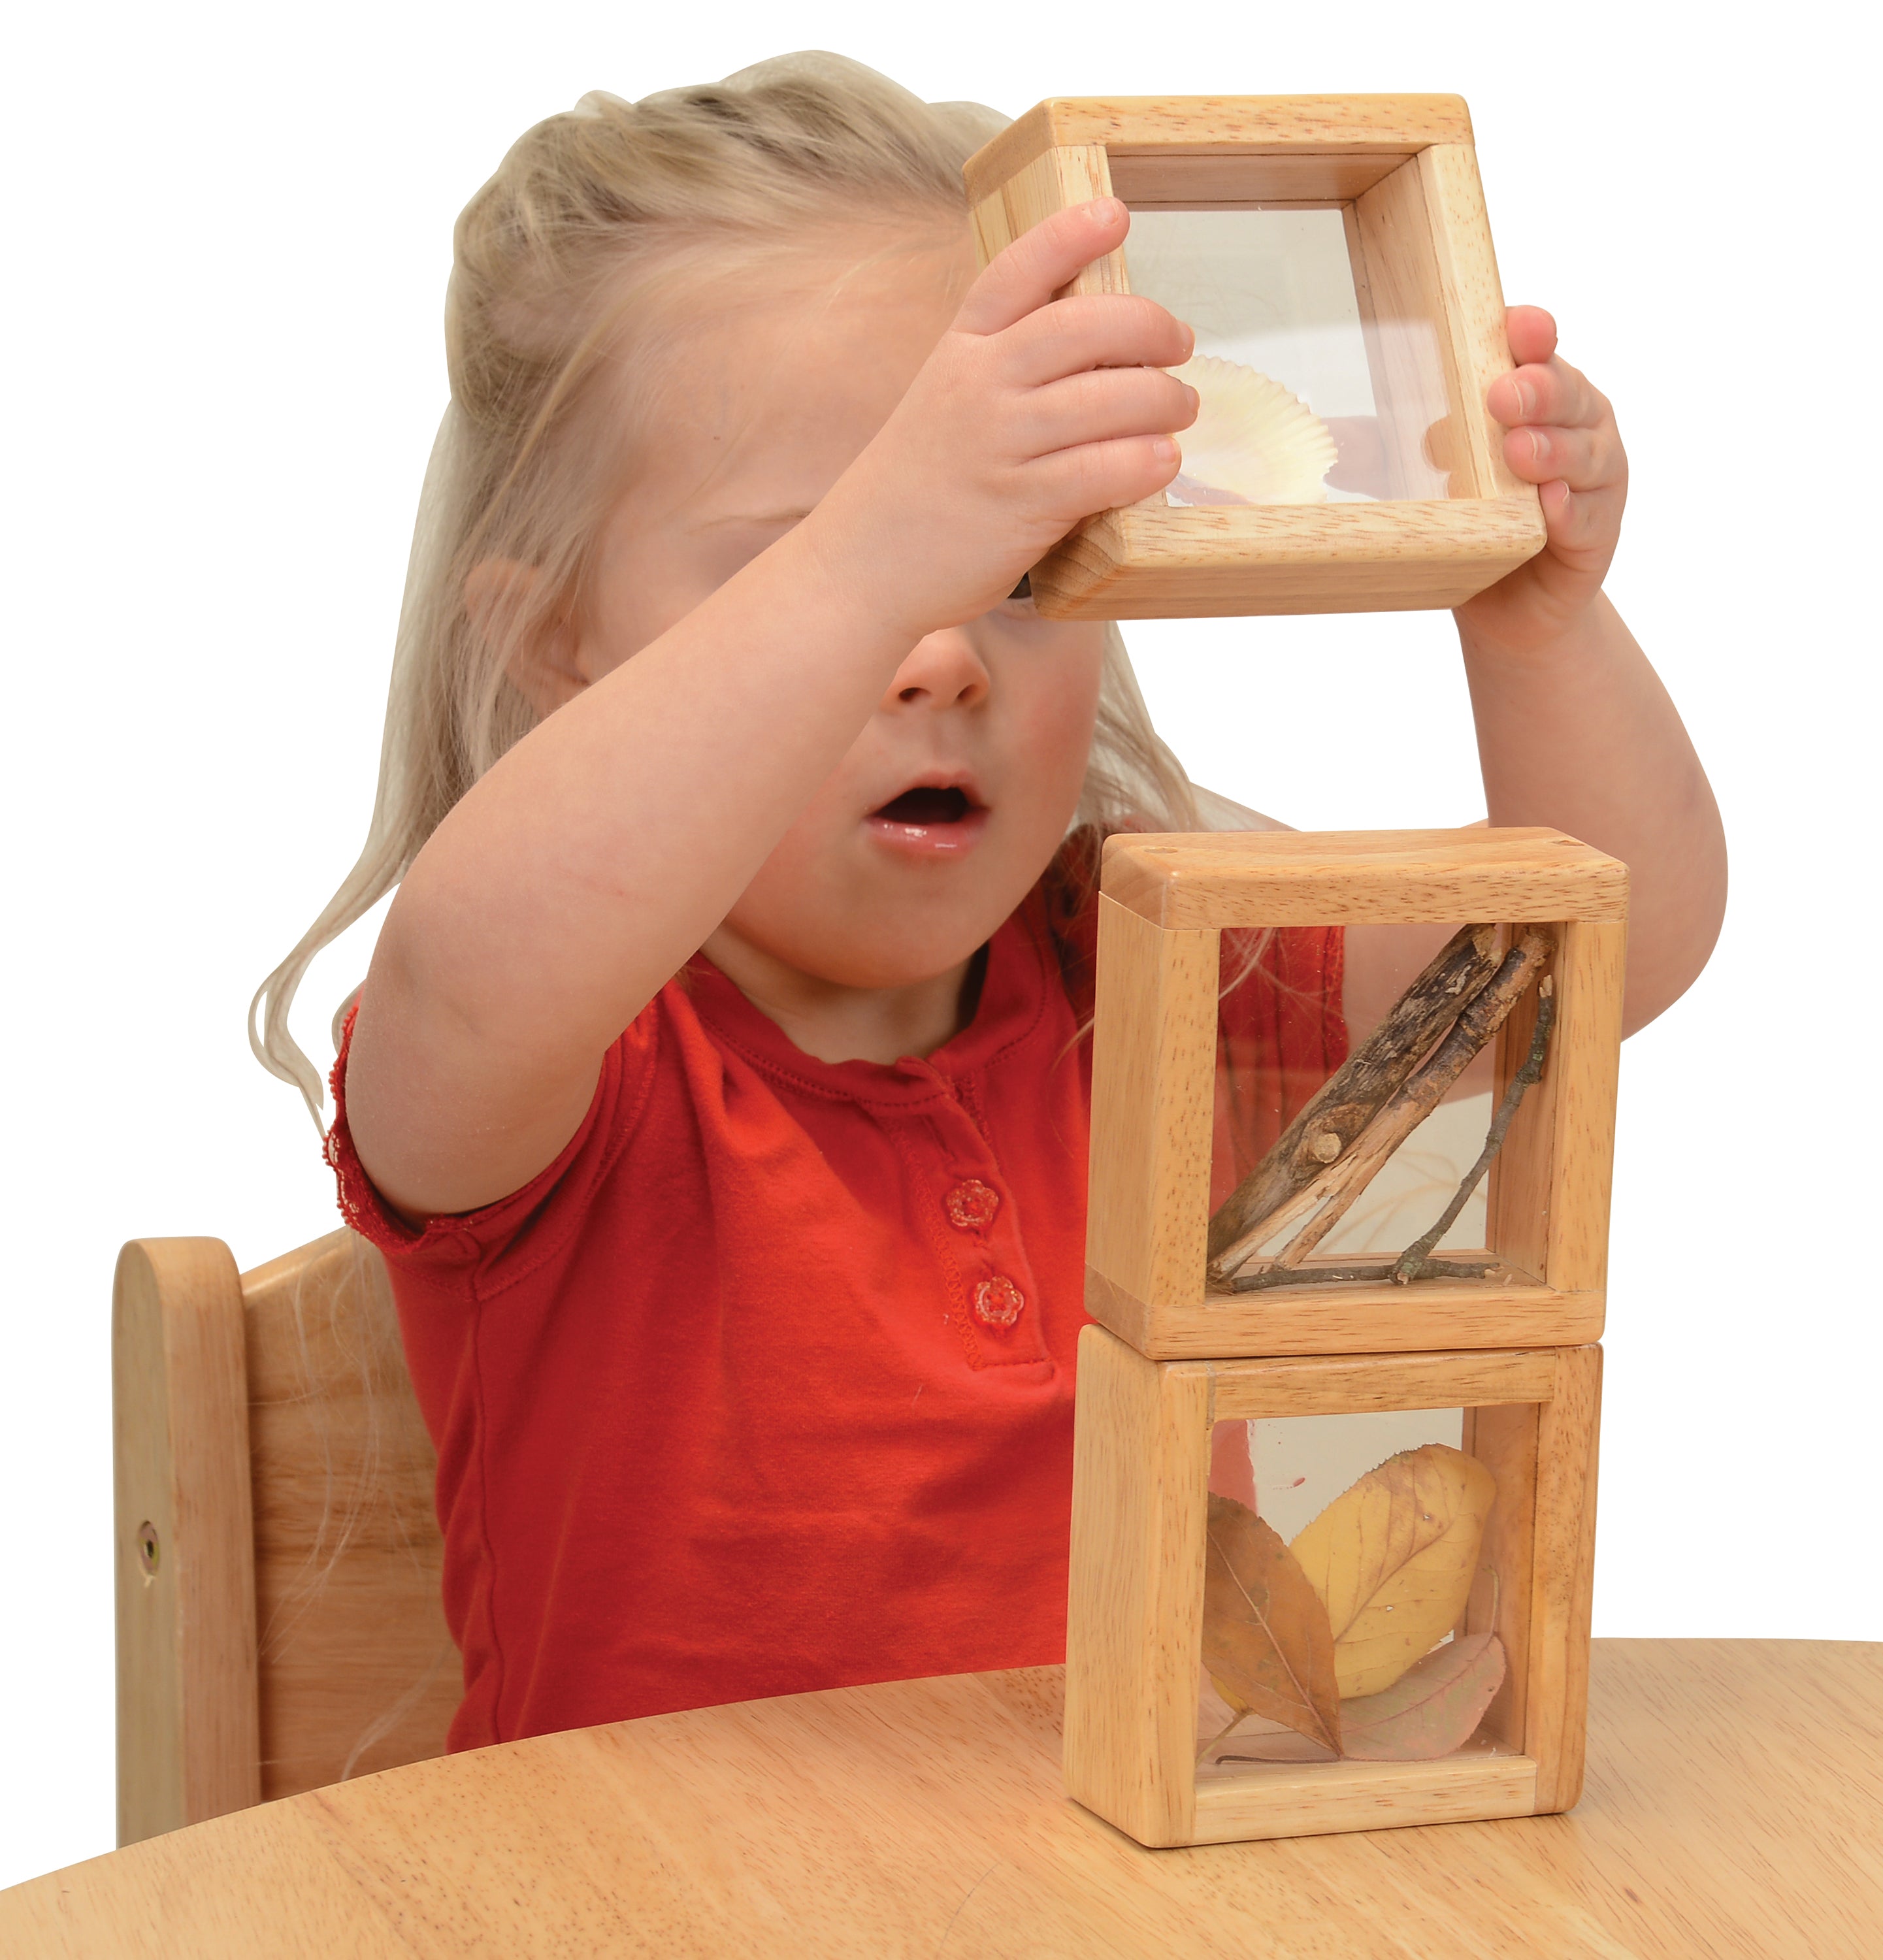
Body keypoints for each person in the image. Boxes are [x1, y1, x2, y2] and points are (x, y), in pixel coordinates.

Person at [251, 54, 1724, 1752]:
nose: (939, 650)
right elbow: (465, 967)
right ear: (550, 643)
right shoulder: (566, 1063)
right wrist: (891, 541)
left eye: (1014, 563)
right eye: (812, 556)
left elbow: (1610, 949)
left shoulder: (1160, 970)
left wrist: (1533, 613)